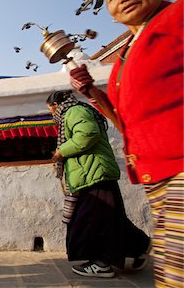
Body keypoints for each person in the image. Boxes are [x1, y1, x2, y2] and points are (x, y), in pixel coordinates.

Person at [69, 0, 183, 286]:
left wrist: (62, 152)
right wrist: (92, 92)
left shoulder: (176, 18)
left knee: (176, 273)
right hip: (155, 177)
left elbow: (87, 136)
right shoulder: (123, 59)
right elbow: (125, 123)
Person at [46, 90, 150, 278]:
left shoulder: (74, 111)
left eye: (51, 110)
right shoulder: (73, 112)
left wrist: (62, 151)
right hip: (91, 174)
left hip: (94, 173)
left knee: (93, 221)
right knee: (108, 217)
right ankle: (139, 245)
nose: (52, 114)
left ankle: (102, 262)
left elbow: (88, 133)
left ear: (56, 105)